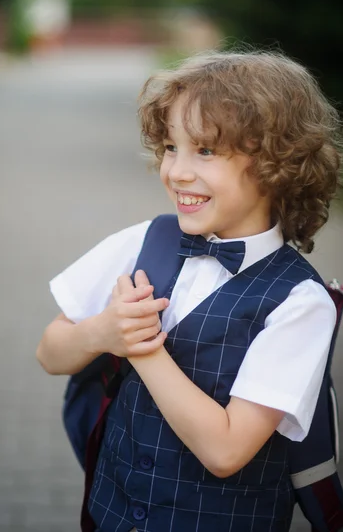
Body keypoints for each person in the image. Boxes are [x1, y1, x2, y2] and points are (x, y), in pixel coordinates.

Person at [36, 50, 341, 531]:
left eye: (205, 150)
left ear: (275, 163)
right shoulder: (145, 240)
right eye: (171, 147)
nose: (176, 171)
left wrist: (142, 348)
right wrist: (102, 332)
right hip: (107, 516)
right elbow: (50, 354)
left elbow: (225, 450)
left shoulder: (301, 303)